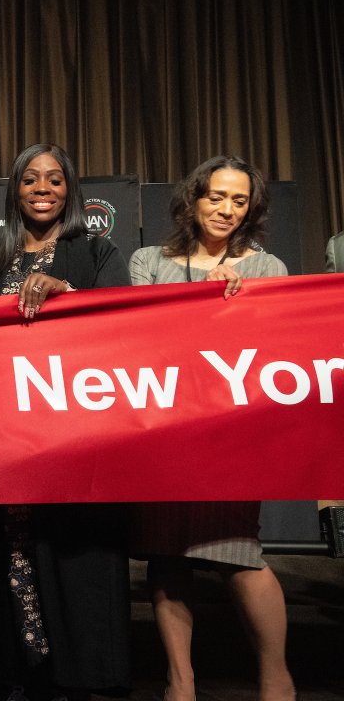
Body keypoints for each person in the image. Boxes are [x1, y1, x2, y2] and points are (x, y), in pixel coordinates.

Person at [0, 143, 132, 701]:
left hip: (71, 434)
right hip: (3, 435)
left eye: (55, 180)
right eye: (30, 179)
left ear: (70, 191)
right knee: (6, 549)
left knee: (72, 553)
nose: (42, 189)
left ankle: (74, 673)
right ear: (15, 189)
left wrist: (67, 294)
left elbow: (122, 328)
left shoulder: (99, 254)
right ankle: (14, 668)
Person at [129, 155, 295, 701]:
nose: (226, 209)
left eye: (239, 200)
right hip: (167, 430)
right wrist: (203, 301)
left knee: (240, 552)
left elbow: (276, 354)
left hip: (231, 433)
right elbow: (141, 339)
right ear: (193, 199)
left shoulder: (267, 268)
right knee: (167, 554)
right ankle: (182, 682)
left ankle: (276, 675)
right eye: (216, 196)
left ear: (251, 209)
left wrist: (238, 305)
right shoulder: (149, 260)